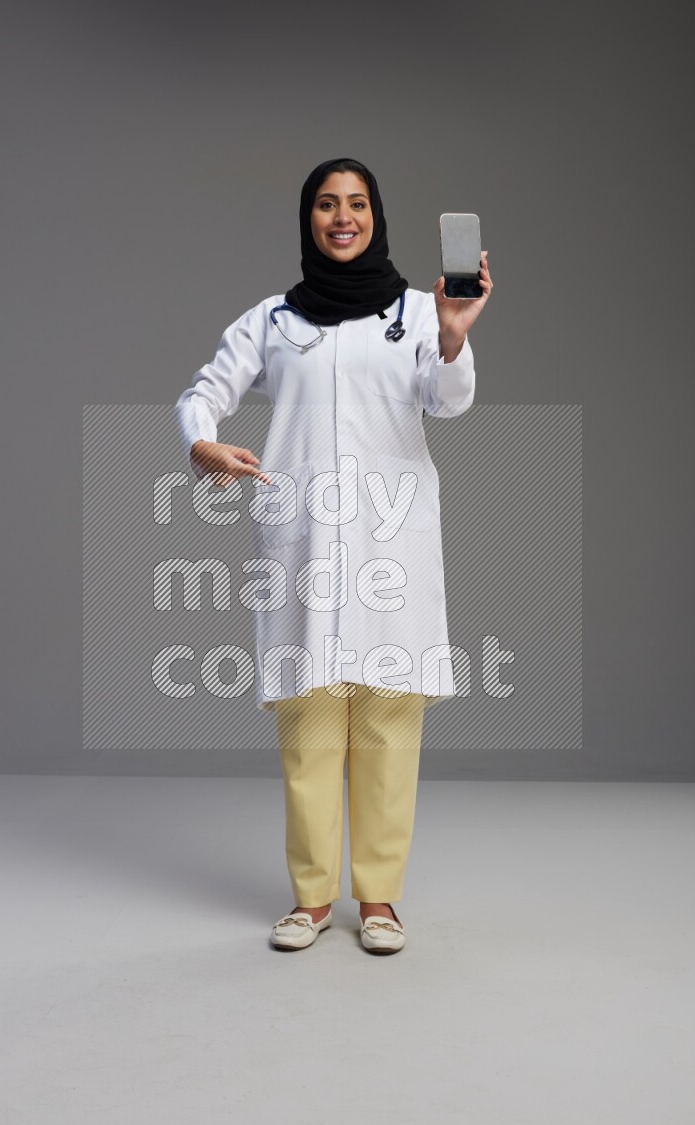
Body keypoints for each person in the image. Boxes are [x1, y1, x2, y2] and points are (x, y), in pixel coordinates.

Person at [174, 157, 493, 953]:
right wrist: (202, 442)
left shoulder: (422, 311)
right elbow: (202, 391)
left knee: (388, 722)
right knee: (311, 724)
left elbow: (449, 402)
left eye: (355, 203)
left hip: (392, 542)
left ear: (376, 216)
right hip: (304, 542)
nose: (341, 216)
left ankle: (379, 900)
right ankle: (310, 899)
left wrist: (452, 340)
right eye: (326, 204)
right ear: (308, 219)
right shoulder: (275, 321)